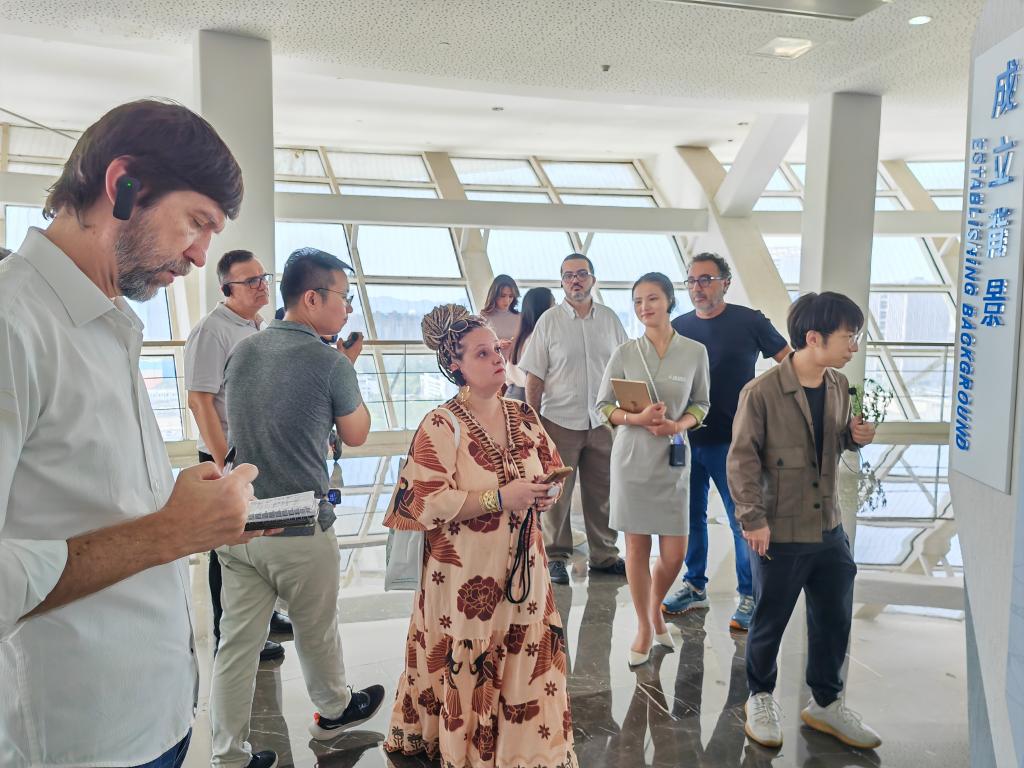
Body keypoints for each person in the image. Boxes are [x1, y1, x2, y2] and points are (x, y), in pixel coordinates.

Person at [0, 99, 269, 768]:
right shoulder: (13, 325)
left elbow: (90, 502)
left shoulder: (107, 321)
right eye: (197, 223)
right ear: (124, 184)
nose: (202, 255)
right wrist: (169, 531)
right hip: (79, 742)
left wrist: (192, 513)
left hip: (158, 716)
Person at [383, 304, 577, 768]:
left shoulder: (523, 415)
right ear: (456, 366)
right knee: (470, 657)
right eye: (482, 353)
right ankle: (466, 749)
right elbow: (426, 502)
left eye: (498, 349)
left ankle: (521, 751)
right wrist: (501, 498)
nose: (497, 359)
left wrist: (545, 493)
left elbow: (551, 467)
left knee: (525, 652)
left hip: (525, 570)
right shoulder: (440, 424)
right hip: (464, 577)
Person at [210, 247, 382, 768]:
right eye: (343, 298)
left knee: (236, 646)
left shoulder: (244, 351)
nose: (347, 309)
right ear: (312, 298)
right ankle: (333, 710)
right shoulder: (330, 362)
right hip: (299, 526)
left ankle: (228, 754)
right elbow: (357, 432)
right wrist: (345, 370)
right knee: (316, 628)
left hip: (241, 524)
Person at [728, 291, 880, 751]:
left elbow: (833, 442)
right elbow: (742, 462)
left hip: (829, 527)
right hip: (779, 529)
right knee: (769, 620)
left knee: (834, 619)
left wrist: (855, 437)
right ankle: (759, 697)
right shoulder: (761, 393)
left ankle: (826, 704)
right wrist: (752, 519)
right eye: (848, 336)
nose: (853, 346)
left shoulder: (837, 385)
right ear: (814, 338)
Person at [663, 253, 790, 631]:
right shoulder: (679, 327)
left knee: (743, 520)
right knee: (691, 518)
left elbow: (788, 362)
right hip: (686, 439)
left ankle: (749, 594)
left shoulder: (749, 322)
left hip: (735, 442)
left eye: (706, 279)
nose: (697, 288)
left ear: (726, 283)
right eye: (691, 281)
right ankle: (694, 586)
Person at [596, 273, 709, 666]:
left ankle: (654, 607)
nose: (645, 307)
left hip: (673, 457)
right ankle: (645, 625)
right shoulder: (625, 352)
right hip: (632, 458)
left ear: (670, 301)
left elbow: (701, 404)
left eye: (653, 299)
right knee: (636, 548)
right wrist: (637, 418)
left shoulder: (694, 352)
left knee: (675, 553)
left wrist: (678, 425)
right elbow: (602, 406)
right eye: (638, 301)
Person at [185, 249, 291, 663]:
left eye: (263, 277)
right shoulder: (212, 331)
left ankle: (266, 617)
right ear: (227, 289)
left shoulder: (259, 326)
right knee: (226, 548)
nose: (262, 286)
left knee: (259, 539)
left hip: (256, 452)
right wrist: (224, 463)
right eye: (251, 281)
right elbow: (199, 401)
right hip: (224, 456)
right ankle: (225, 630)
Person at [520, 254, 629, 584]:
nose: (575, 280)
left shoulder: (609, 319)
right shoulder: (549, 321)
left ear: (593, 279)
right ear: (562, 282)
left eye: (581, 274)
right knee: (556, 495)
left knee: (603, 493)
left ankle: (605, 555)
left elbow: (624, 368)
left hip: (602, 421)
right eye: (568, 276)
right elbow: (534, 376)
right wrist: (534, 424)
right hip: (558, 421)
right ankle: (556, 556)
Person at [505, 286, 555, 401]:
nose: (557, 307)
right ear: (543, 308)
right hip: (528, 396)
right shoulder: (536, 338)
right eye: (553, 303)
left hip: (514, 392)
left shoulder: (523, 336)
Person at [480, 273, 521, 352]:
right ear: (494, 295)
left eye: (511, 296)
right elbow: (480, 345)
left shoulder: (520, 317)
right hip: (495, 358)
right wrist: (497, 344)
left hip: (517, 358)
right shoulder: (483, 318)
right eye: (503, 296)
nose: (507, 300)